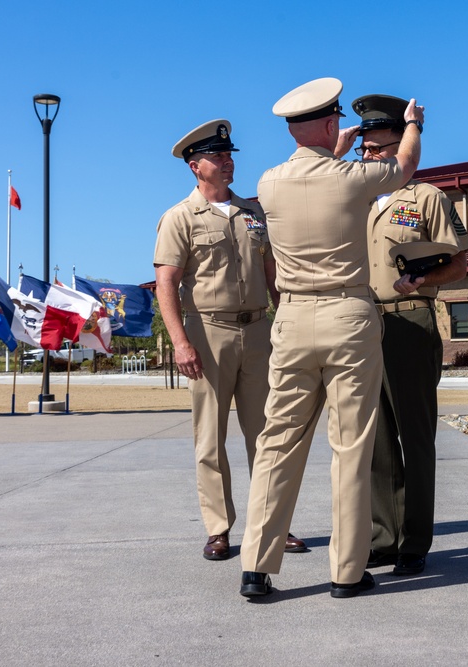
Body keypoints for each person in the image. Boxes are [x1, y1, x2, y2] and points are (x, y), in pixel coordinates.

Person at [239, 78, 424, 599]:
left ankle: (256, 566)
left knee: (278, 442)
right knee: (350, 445)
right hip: (348, 314)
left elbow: (313, 168)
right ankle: (347, 571)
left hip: (293, 319)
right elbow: (403, 167)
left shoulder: (270, 182)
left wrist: (324, 146)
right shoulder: (351, 179)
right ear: (330, 123)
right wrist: (411, 124)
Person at [153, 119, 306, 562]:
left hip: (259, 331)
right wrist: (181, 343)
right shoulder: (179, 217)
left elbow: (274, 275)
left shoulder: (253, 214)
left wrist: (286, 322)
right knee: (210, 439)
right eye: (218, 156)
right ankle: (219, 529)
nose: (228, 160)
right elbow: (167, 285)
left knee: (268, 434)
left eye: (229, 154)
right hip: (208, 332)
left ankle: (273, 525)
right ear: (194, 166)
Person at [352, 94, 468, 576]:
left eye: (377, 150)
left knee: (414, 435)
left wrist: (425, 280)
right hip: (361, 323)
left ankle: (415, 541)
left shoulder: (426, 197)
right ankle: (383, 536)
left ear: (399, 148)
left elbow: (459, 264)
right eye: (362, 151)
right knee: (374, 438)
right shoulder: (352, 198)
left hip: (410, 320)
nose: (367, 159)